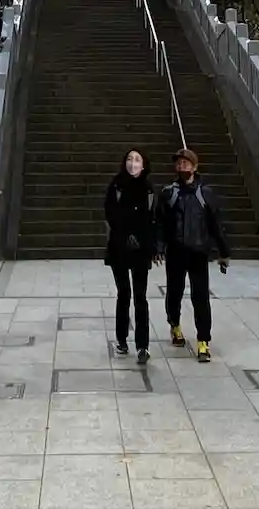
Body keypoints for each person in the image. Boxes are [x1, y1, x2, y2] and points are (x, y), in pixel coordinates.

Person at [156, 147, 230, 363]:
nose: (181, 166)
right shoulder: (169, 193)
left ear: (195, 167)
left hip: (198, 253)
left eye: (186, 163)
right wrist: (159, 247)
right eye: (178, 163)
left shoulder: (205, 194)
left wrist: (223, 252)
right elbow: (160, 223)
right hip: (176, 252)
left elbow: (216, 225)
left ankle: (203, 340)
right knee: (174, 292)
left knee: (201, 297)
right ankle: (175, 325)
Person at [103, 148, 156, 364]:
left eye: (137, 160)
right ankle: (122, 338)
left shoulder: (149, 189)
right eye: (129, 159)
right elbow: (110, 213)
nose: (132, 163)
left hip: (141, 249)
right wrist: (125, 234)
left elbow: (152, 218)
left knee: (140, 297)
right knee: (124, 293)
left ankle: (143, 345)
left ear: (144, 165)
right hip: (119, 247)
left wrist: (147, 242)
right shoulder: (116, 185)